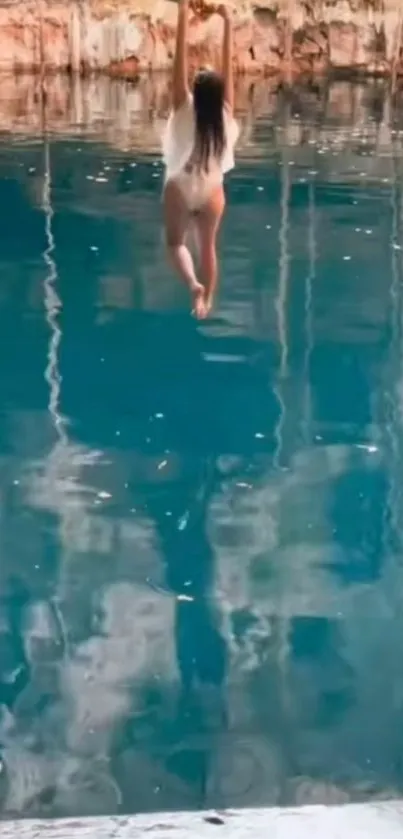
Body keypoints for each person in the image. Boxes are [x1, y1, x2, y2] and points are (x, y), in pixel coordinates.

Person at [162, 0, 239, 319]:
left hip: (181, 185)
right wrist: (227, 22)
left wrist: (182, 14)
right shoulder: (225, 113)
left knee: (175, 245)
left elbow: (177, 65)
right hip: (211, 190)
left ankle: (193, 284)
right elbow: (229, 67)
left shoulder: (182, 107)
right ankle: (205, 301)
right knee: (208, 248)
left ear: (193, 88)